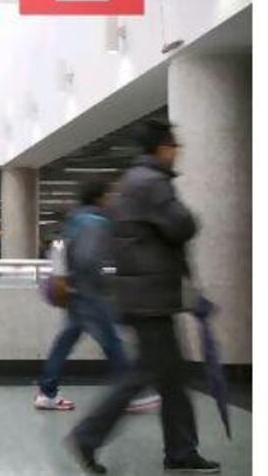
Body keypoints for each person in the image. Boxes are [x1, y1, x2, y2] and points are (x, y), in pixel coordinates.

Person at [66, 119, 220, 474]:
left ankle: (180, 449)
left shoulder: (132, 182)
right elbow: (182, 225)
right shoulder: (152, 183)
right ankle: (89, 436)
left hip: (142, 296)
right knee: (145, 374)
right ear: (162, 148)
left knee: (168, 376)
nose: (177, 152)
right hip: (150, 298)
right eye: (174, 146)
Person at [34, 178, 160, 413]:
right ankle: (127, 394)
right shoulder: (95, 222)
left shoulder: (75, 220)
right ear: (100, 197)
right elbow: (88, 259)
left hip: (76, 293)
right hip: (90, 294)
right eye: (109, 195)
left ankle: (47, 391)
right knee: (112, 342)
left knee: (67, 340)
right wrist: (103, 284)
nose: (112, 199)